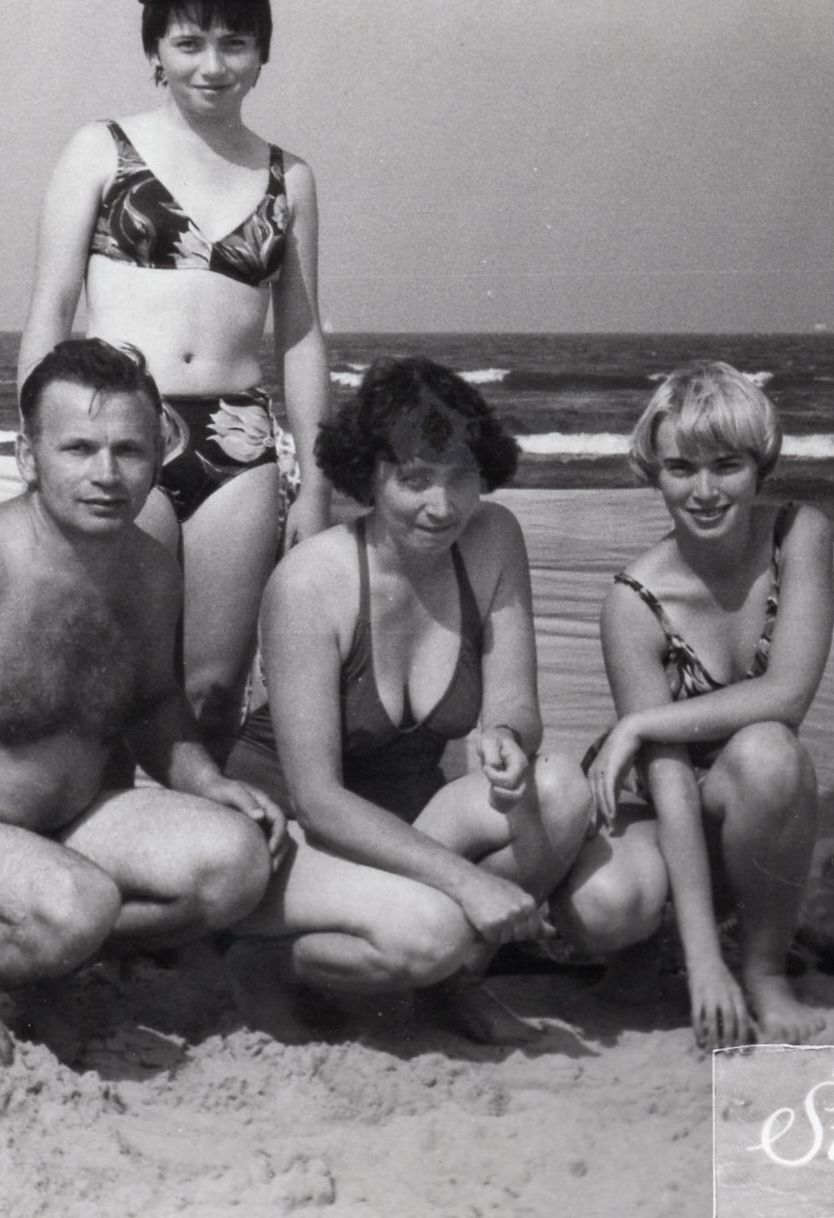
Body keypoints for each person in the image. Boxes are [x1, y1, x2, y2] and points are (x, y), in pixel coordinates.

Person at [0, 339, 285, 1063]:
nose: (106, 475)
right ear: (28, 457)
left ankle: (40, 955)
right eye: (78, 448)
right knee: (79, 906)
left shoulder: (149, 571)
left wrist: (207, 781)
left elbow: (152, 702)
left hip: (61, 826)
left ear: (158, 458)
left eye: (128, 451)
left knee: (236, 864)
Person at [19, 0, 331, 760]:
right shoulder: (99, 150)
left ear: (262, 53)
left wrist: (314, 485)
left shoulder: (290, 177)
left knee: (213, 690)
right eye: (189, 43)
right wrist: (40, 446)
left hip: (240, 443)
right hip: (122, 432)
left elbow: (301, 338)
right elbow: (49, 310)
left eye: (235, 43)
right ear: (154, 49)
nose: (212, 65)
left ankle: (205, 832)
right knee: (114, 677)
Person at [221, 358, 592, 1045]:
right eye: (415, 479)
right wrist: (467, 884)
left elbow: (514, 698)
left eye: (461, 477)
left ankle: (453, 983)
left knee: (563, 791)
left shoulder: (493, 539)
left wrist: (509, 738)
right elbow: (318, 800)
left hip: (407, 823)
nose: (443, 507)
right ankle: (268, 961)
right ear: (369, 477)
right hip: (292, 837)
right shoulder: (311, 583)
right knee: (433, 931)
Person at [554, 362, 833, 1047]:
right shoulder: (633, 602)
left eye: (726, 465)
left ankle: (764, 970)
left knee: (769, 750)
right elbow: (670, 781)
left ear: (760, 466)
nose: (704, 492)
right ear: (655, 473)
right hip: (659, 804)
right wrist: (705, 967)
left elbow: (788, 693)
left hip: (747, 795)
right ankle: (664, 946)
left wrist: (640, 722)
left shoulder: (799, 534)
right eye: (681, 468)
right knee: (604, 908)